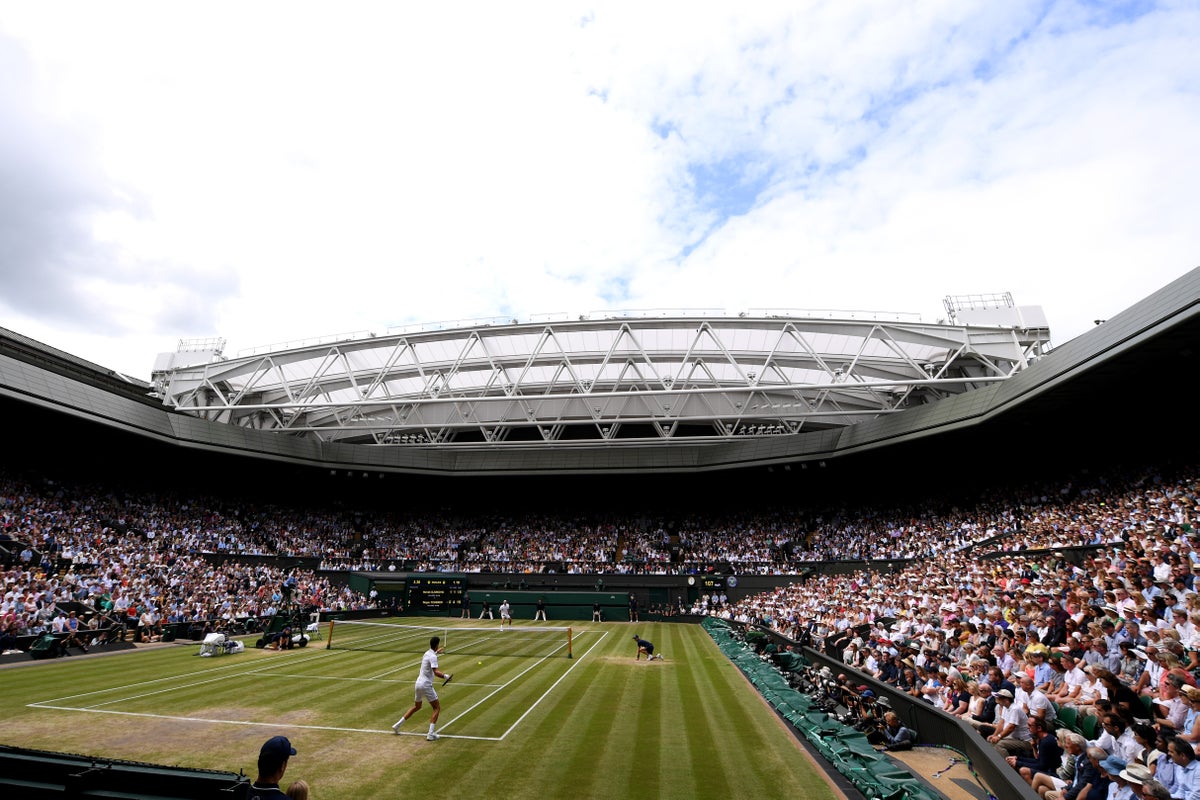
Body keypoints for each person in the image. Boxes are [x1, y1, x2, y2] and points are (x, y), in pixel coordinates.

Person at [392, 635, 452, 741]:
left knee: (417, 707)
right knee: (436, 708)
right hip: (426, 685)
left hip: (418, 684)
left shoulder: (427, 653)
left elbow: (432, 656)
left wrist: (437, 651)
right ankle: (430, 733)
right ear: (437, 644)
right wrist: (445, 676)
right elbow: (436, 672)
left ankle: (397, 725)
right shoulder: (433, 657)